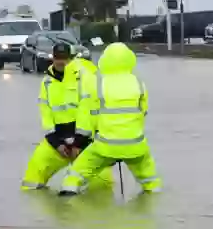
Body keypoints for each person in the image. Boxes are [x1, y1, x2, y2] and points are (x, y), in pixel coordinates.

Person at [60, 42, 161, 196]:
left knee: (76, 173)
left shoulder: (98, 84)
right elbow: (143, 112)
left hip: (105, 145)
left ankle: (67, 199)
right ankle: (153, 195)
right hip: (135, 144)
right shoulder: (139, 83)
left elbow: (89, 117)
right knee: (150, 178)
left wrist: (78, 142)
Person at [20, 42, 107, 190]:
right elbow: (45, 113)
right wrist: (56, 143)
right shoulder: (47, 82)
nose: (61, 61)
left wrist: (78, 143)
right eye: (57, 57)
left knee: (101, 187)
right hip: (58, 140)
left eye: (65, 58)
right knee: (31, 181)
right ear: (52, 58)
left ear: (71, 59)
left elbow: (87, 110)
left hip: (84, 141)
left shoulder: (84, 78)